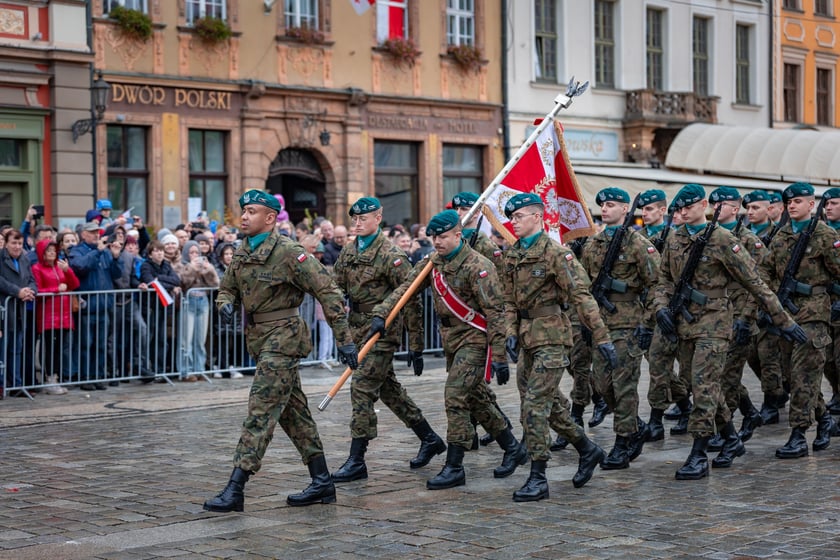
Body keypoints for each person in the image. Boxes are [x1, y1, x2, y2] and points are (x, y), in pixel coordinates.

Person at [203, 189, 359, 513]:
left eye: (252, 211)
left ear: (271, 218)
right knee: (294, 414)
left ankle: (236, 488)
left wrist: (344, 339)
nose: (244, 216)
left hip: (283, 339)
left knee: (260, 410)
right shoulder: (242, 250)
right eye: (243, 210)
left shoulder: (290, 252)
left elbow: (327, 290)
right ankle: (322, 482)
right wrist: (225, 304)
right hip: (260, 339)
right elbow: (227, 287)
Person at [654, 184, 805, 480]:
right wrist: (660, 307)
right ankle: (731, 436)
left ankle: (698, 453)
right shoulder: (674, 239)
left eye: (688, 207)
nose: (683, 212)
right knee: (695, 384)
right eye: (679, 209)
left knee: (704, 385)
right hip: (684, 324)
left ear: (703, 205)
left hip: (715, 323)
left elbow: (756, 284)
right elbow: (663, 280)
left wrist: (784, 321)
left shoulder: (724, 240)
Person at [371, 209, 527, 490]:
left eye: (442, 237)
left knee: (455, 396)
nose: (437, 242)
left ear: (458, 234)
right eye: (433, 237)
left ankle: (454, 466)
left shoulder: (478, 266)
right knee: (476, 398)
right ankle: (512, 447)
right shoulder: (432, 263)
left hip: (475, 338)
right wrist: (382, 313)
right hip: (451, 340)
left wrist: (500, 357)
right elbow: (405, 288)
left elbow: (495, 313)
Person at [501, 193, 612, 501]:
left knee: (534, 407)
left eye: (519, 216)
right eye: (512, 217)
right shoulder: (513, 254)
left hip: (552, 338)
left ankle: (538, 476)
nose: (514, 222)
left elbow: (581, 295)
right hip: (527, 340)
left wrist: (601, 337)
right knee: (548, 408)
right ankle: (587, 449)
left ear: (538, 217)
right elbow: (508, 299)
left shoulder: (555, 253)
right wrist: (510, 332)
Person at [330, 196, 445, 484]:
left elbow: (411, 298)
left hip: (383, 331)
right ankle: (429, 438)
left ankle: (357, 459)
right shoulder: (348, 251)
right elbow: (335, 286)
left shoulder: (391, 255)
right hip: (357, 328)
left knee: (362, 387)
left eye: (363, 218)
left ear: (377, 219)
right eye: (353, 218)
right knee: (388, 390)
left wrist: (416, 346)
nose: (357, 222)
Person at [758, 182, 840, 458]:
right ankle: (825, 417)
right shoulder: (781, 236)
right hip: (785, 315)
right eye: (788, 202)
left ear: (810, 204)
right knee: (792, 377)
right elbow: (766, 271)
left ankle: (798, 434)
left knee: (804, 374)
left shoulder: (825, 236)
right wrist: (767, 304)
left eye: (797, 202)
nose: (792, 206)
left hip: (814, 313)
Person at [580, 187, 659, 470]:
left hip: (628, 323)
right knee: (601, 384)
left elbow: (656, 285)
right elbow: (586, 286)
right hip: (601, 324)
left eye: (612, 204)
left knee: (624, 385)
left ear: (626, 209)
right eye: (603, 204)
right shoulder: (593, 244)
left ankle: (623, 442)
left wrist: (648, 322)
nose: (605, 208)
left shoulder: (638, 244)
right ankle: (635, 424)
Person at [706, 188, 769, 447]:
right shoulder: (708, 236)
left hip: (741, 315)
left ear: (735, 209)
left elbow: (759, 285)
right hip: (716, 316)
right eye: (714, 204)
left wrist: (746, 318)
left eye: (722, 204)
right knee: (720, 374)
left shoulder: (749, 241)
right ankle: (750, 413)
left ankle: (725, 432)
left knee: (726, 377)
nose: (716, 208)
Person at [69, 222, 123, 391]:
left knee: (100, 344)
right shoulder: (77, 251)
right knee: (86, 344)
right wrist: (98, 251)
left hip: (103, 306)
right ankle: (85, 377)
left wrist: (115, 257)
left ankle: (98, 376)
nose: (96, 235)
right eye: (92, 233)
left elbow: (116, 274)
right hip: (87, 307)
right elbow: (80, 267)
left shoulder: (105, 252)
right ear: (83, 235)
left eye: (97, 232)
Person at [31, 239, 80, 395]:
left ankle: (55, 379)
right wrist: (56, 289)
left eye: (54, 250)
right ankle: (49, 380)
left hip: (63, 314)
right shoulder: (37, 268)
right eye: (48, 251)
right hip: (48, 315)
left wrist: (68, 270)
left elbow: (74, 284)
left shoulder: (59, 266)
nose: (52, 253)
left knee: (59, 349)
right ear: (42, 253)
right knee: (50, 349)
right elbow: (38, 291)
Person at [175, 240, 219, 380]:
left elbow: (215, 284)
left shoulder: (204, 266)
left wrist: (209, 269)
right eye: (191, 252)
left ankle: (199, 369)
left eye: (197, 252)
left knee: (200, 339)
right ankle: (185, 371)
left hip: (203, 302)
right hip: (189, 302)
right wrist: (192, 268)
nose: (194, 255)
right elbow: (183, 282)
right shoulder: (181, 265)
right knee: (186, 340)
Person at [0, 230, 37, 394]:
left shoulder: (24, 258)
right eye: (14, 243)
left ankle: (16, 384)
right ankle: (2, 384)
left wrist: (31, 291)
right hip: (5, 309)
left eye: (20, 243)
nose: (17, 247)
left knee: (17, 349)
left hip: (20, 311)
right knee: (3, 350)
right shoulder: (1, 258)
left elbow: (31, 279)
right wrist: (17, 292)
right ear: (6, 243)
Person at [139, 240, 181, 375]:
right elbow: (150, 282)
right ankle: (147, 368)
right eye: (156, 251)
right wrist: (162, 282)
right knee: (149, 338)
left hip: (163, 307)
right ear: (150, 254)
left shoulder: (166, 265)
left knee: (162, 339)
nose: (160, 253)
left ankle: (161, 369)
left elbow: (176, 280)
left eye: (161, 251)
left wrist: (159, 279)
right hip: (150, 307)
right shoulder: (146, 265)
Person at [822, 188, 840, 415]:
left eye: (834, 203)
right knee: (826, 360)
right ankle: (836, 393)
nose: (828, 207)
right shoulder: (823, 233)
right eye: (826, 204)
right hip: (824, 306)